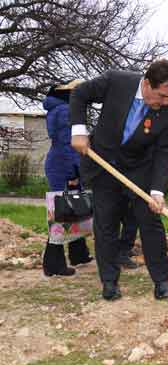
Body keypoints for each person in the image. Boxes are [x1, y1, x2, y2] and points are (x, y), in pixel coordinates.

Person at [69, 59, 168, 301]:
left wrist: (157, 191)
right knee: (106, 224)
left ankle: (161, 280)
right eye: (161, 96)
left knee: (150, 222)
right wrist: (78, 131)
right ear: (148, 84)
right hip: (104, 164)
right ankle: (109, 282)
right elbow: (79, 94)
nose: (164, 102)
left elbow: (164, 152)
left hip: (140, 170)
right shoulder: (116, 82)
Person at [42, 80, 93, 277]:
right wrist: (74, 173)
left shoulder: (58, 108)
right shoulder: (65, 111)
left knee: (73, 210)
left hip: (59, 164)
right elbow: (68, 144)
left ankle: (78, 253)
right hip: (64, 166)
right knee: (61, 214)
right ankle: (53, 264)